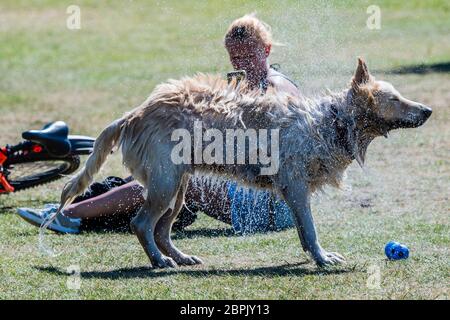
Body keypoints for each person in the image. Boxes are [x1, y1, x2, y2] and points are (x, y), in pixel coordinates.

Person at [17, 13, 300, 235]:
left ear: (267, 49)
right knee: (161, 166)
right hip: (246, 187)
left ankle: (68, 216)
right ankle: (72, 210)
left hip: (272, 202)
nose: (242, 64)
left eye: (249, 56)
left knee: (185, 177)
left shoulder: (277, 88)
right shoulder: (244, 83)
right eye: (235, 58)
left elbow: (267, 148)